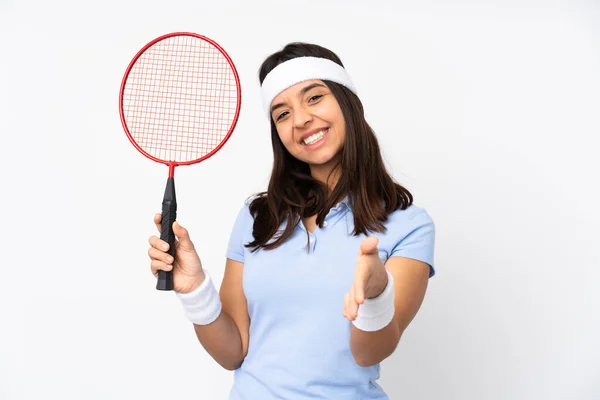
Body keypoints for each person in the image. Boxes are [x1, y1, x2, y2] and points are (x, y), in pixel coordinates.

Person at [147, 42, 436, 399]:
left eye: (314, 98)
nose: (300, 119)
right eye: (282, 114)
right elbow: (232, 351)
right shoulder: (257, 218)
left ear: (348, 103)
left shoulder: (409, 225)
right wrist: (195, 290)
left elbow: (369, 353)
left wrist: (376, 295)